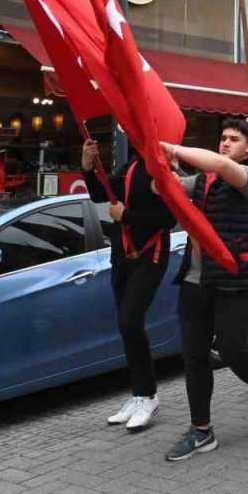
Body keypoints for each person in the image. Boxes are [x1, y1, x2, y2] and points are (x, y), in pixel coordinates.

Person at [161, 117, 248, 462]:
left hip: (234, 281)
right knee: (194, 357)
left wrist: (174, 148)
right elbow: (166, 188)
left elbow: (220, 164)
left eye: (234, 139)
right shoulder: (201, 180)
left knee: (232, 351)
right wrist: (157, 166)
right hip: (195, 281)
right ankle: (202, 430)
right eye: (223, 138)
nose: (225, 143)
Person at [82, 140, 175, 432]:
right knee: (126, 326)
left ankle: (148, 396)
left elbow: (169, 218)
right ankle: (139, 394)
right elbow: (100, 194)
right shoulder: (128, 167)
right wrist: (87, 164)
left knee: (130, 320)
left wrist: (128, 216)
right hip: (122, 256)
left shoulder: (159, 171)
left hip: (150, 254)